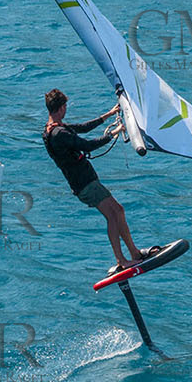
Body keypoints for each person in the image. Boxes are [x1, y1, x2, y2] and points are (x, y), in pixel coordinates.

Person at [42, 88, 152, 270]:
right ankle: (121, 260)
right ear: (61, 108)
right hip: (85, 184)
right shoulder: (59, 134)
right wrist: (114, 133)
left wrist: (109, 114)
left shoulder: (53, 129)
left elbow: (83, 127)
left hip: (86, 183)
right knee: (113, 215)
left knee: (118, 211)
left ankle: (134, 253)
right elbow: (87, 145)